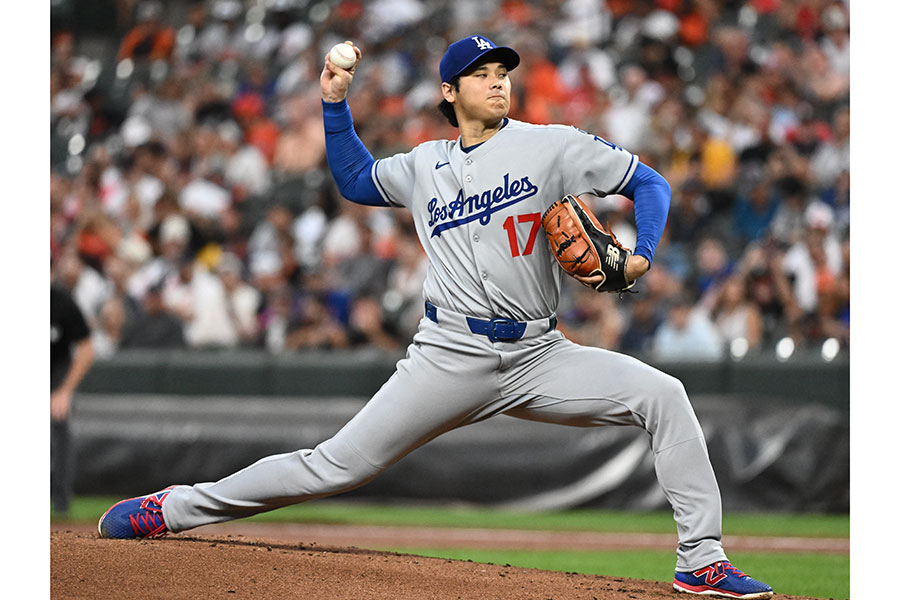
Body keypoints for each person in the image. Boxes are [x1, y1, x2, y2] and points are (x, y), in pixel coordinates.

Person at [98, 35, 772, 599]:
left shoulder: (552, 146)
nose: (498, 83)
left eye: (503, 73)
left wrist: (644, 257)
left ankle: (700, 558)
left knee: (664, 395)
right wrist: (334, 104)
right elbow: (357, 180)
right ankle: (174, 508)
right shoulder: (425, 164)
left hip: (541, 355)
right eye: (481, 75)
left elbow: (649, 182)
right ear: (450, 92)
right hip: (448, 354)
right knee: (332, 466)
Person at [51, 267, 95, 514]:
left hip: (58, 373)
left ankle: (61, 503)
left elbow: (87, 348)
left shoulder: (63, 302)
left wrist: (65, 391)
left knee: (61, 429)